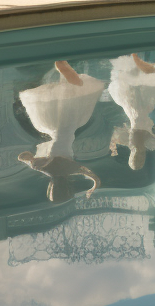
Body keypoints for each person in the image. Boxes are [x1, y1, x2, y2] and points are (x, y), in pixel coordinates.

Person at [17, 60, 104, 202]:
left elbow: (94, 177)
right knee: (66, 98)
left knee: (76, 94)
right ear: (51, 187)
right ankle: (63, 70)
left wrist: (93, 187)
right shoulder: (44, 168)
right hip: (53, 127)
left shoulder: (72, 169)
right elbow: (22, 156)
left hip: (68, 128)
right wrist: (29, 160)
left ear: (68, 187)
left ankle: (64, 70)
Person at [108, 53, 155, 170]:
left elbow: (141, 132)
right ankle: (135, 57)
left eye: (137, 160)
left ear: (133, 157)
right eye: (141, 160)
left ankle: (135, 57)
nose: (140, 158)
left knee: (139, 82)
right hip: (139, 112)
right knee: (140, 80)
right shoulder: (136, 144)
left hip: (138, 112)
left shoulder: (137, 145)